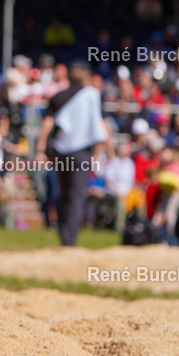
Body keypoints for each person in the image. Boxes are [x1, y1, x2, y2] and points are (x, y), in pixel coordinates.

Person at [36, 61, 109, 246]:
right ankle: (69, 240)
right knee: (76, 195)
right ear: (86, 77)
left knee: (63, 194)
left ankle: (63, 235)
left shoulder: (58, 96)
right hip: (81, 153)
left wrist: (40, 150)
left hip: (60, 152)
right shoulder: (91, 94)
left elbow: (47, 124)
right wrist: (99, 152)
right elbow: (98, 125)